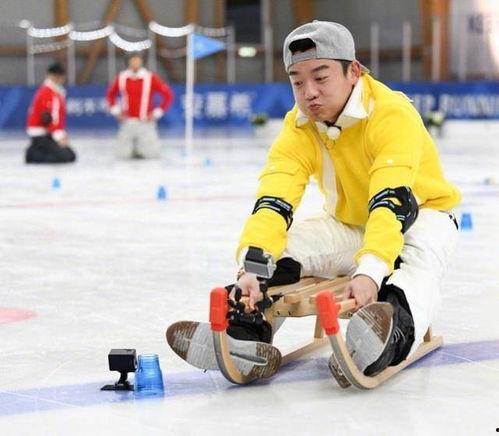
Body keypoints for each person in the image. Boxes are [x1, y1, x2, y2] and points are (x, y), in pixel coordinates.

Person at [168, 21, 461, 378]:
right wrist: (252, 268)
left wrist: (370, 272)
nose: (309, 93)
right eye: (297, 82)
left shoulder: (390, 113)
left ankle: (388, 335)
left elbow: (391, 202)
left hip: (421, 219)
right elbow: (274, 198)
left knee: (415, 270)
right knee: (280, 251)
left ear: (353, 71)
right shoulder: (300, 125)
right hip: (348, 223)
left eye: (321, 78)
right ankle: (245, 333)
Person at [106, 52, 174, 159]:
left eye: (137, 60)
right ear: (128, 62)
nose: (135, 63)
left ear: (141, 62)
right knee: (122, 156)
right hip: (127, 122)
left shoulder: (150, 77)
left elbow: (168, 95)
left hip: (145, 122)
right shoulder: (122, 77)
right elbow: (110, 94)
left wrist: (156, 113)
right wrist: (117, 112)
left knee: (151, 155)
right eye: (133, 60)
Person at [25, 63, 76, 164]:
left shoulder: (48, 91)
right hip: (42, 134)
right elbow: (50, 118)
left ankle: (35, 150)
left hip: (45, 133)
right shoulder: (50, 93)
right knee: (66, 156)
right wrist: (59, 137)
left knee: (70, 155)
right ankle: (33, 153)